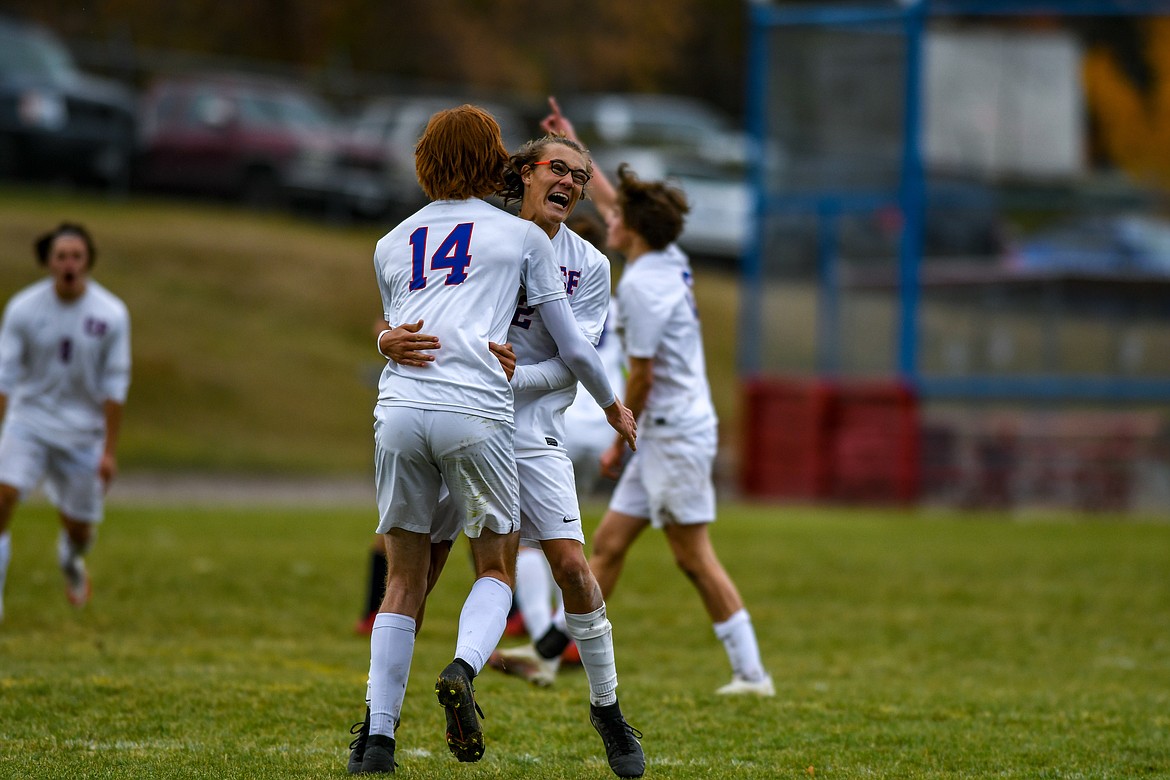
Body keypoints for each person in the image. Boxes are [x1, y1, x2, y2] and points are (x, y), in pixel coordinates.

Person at [347, 104, 637, 776]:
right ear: (522, 174)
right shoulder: (502, 237)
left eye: (580, 175)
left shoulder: (588, 265)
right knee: (431, 575)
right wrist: (387, 336)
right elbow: (425, 323)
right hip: (475, 419)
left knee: (569, 565)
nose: (569, 181)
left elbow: (575, 355)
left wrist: (514, 375)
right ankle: (381, 718)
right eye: (557, 167)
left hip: (524, 429)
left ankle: (609, 711)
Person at [543, 100, 774, 697]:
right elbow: (619, 202)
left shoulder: (644, 288)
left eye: (618, 219)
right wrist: (574, 144)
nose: (607, 220)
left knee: (693, 558)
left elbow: (639, 380)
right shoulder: (665, 255)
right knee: (610, 543)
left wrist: (621, 438)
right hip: (669, 431)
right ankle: (554, 651)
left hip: (670, 434)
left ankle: (752, 674)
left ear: (634, 233)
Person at [0, 223, 131, 622]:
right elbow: (4, 376)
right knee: (2, 499)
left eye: (76, 256)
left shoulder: (111, 314)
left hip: (82, 433)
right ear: (48, 262)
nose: (69, 264)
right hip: (29, 421)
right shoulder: (23, 309)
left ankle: (70, 559)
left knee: (81, 531)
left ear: (88, 259)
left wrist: (108, 452)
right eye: (61, 256)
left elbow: (116, 383)